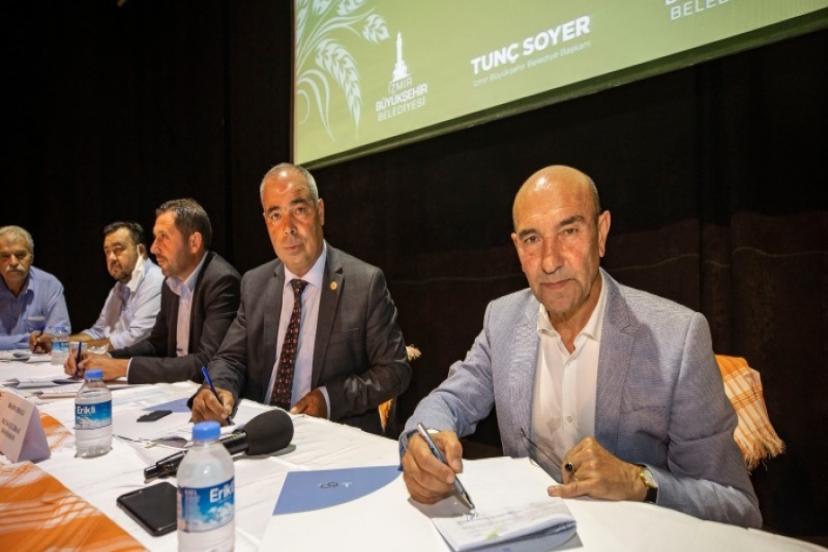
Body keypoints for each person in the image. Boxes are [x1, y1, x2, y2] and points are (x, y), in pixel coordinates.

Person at [400, 165, 762, 528]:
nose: (550, 261)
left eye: (569, 231)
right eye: (532, 239)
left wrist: (640, 481)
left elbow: (736, 503)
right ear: (517, 249)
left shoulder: (677, 338)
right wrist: (425, 443)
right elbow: (448, 402)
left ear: (601, 233)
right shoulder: (503, 319)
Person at [191, 163, 411, 434]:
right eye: (276, 215)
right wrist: (218, 388)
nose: (288, 228)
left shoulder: (364, 283)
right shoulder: (255, 283)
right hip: (264, 431)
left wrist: (329, 399)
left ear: (320, 211)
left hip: (332, 434)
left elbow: (395, 371)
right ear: (266, 222)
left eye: (298, 210)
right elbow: (230, 358)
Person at [65, 199, 240, 384]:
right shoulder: (171, 282)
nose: (154, 248)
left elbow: (207, 363)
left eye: (163, 237)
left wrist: (122, 367)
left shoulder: (221, 281)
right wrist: (107, 357)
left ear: (194, 242)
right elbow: (156, 344)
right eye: (155, 237)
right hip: (177, 388)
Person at [38, 222, 163, 352]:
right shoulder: (119, 287)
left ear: (141, 251)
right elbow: (98, 332)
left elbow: (132, 339)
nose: (111, 258)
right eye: (107, 252)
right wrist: (56, 342)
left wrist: (74, 348)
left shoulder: (155, 281)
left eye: (118, 250)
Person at [0, 225, 71, 350]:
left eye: (20, 255)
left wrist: (47, 340)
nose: (13, 262)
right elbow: (44, 341)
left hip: (37, 360)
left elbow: (60, 334)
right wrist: (28, 341)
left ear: (31, 258)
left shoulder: (49, 285)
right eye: (5, 256)